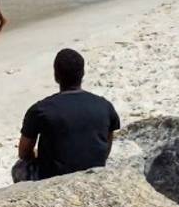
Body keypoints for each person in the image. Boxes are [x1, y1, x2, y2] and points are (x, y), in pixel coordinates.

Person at [12, 49, 121, 182]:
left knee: (19, 167)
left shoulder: (40, 110)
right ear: (82, 74)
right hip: (93, 174)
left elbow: (24, 153)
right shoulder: (105, 106)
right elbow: (106, 149)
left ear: (56, 76)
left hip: (53, 178)